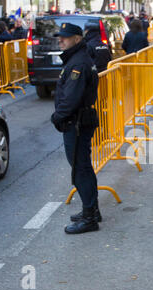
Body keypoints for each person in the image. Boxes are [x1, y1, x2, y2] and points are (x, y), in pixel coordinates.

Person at [50, 23, 101, 234]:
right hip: (79, 121)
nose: (61, 40)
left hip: (77, 122)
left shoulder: (77, 63)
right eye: (60, 37)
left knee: (80, 169)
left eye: (66, 37)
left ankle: (89, 217)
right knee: (83, 167)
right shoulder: (77, 59)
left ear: (78, 39)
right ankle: (92, 210)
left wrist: (57, 116)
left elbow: (70, 98)